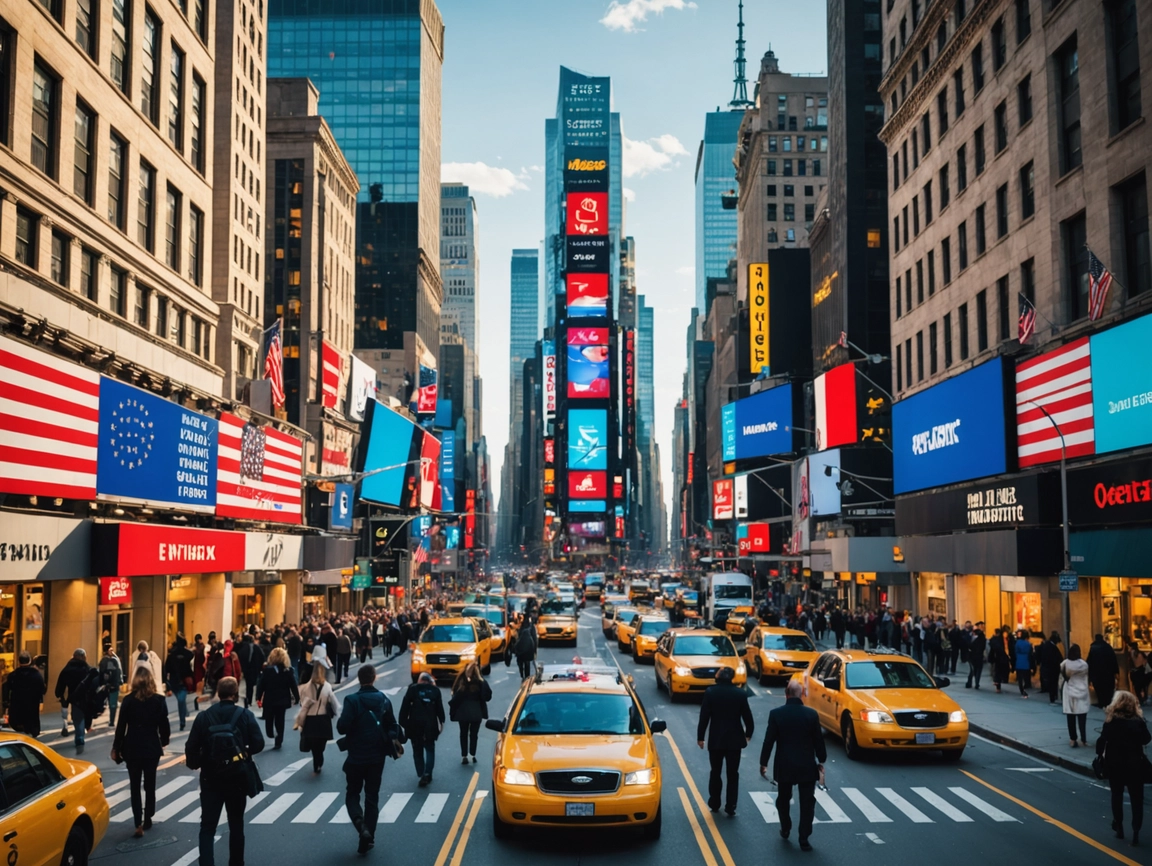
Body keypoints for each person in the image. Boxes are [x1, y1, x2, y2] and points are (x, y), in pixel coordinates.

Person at [185, 677, 265, 866]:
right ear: (235, 694)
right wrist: (245, 752)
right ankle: (236, 862)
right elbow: (259, 743)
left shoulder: (204, 717)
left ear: (218, 694)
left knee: (207, 826)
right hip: (237, 777)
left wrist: (197, 762)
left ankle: (206, 862)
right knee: (236, 824)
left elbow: (191, 748)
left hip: (210, 778)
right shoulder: (244, 715)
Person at [338, 665, 402, 854]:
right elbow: (393, 725)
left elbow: (342, 727)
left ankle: (360, 824)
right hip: (376, 756)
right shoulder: (383, 700)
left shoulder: (351, 700)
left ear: (359, 679)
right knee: (372, 797)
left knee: (352, 794)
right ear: (374, 678)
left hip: (356, 756)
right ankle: (369, 837)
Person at [760, 679, 827, 852]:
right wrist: (821, 760)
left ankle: (785, 826)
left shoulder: (776, 714)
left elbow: (769, 741)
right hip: (806, 765)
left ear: (786, 694)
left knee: (783, 799)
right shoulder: (811, 715)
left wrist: (763, 763)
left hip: (785, 765)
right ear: (802, 694)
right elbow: (818, 741)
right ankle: (804, 838)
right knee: (807, 802)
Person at [112, 669, 171, 837]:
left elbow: (121, 726)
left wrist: (116, 747)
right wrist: (164, 740)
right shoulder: (159, 700)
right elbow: (164, 724)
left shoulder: (128, 701)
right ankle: (148, 816)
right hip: (151, 746)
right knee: (150, 783)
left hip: (132, 747)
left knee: (135, 785)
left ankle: (137, 822)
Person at [696, 666, 755, 817]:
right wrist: (748, 734)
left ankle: (715, 802)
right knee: (732, 774)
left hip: (716, 740)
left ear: (719, 676)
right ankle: (731, 805)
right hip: (734, 741)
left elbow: (704, 717)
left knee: (715, 772)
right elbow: (748, 717)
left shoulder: (710, 692)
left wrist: (701, 737)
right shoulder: (740, 694)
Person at [1096, 690, 1150, 847]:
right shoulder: (1138, 722)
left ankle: (1119, 825)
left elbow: (1102, 742)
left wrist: (1100, 755)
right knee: (1136, 799)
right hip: (1135, 764)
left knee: (1116, 795)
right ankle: (1136, 830)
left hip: (1115, 764)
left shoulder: (1111, 721)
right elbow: (1146, 739)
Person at [399, 672, 445, 786]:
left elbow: (404, 709)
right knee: (430, 749)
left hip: (415, 726)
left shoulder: (412, 690)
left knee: (417, 751)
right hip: (430, 725)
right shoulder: (435, 691)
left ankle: (421, 772)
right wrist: (441, 723)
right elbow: (440, 710)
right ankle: (428, 773)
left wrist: (404, 724)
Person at [295, 662, 339, 773]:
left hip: (310, 719)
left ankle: (317, 760)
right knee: (321, 743)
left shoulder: (304, 688)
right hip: (323, 719)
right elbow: (334, 704)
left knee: (313, 743)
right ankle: (319, 759)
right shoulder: (327, 686)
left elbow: (301, 703)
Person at [256, 647, 299, 750]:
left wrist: (258, 696)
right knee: (280, 720)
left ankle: (270, 733)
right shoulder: (288, 671)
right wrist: (297, 697)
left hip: (269, 699)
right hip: (282, 699)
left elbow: (261, 685)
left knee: (269, 718)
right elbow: (293, 685)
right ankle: (279, 740)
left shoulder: (267, 671)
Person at [55, 648, 98, 751]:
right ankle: (82, 733)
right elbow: (94, 682)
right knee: (85, 716)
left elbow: (61, 683)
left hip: (75, 698)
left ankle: (79, 737)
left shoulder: (68, 668)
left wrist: (59, 694)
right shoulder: (87, 668)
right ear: (83, 657)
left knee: (78, 718)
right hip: (87, 697)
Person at [450, 663, 492, 764]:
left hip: (462, 712)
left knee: (463, 734)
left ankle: (464, 755)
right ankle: (472, 755)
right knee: (474, 735)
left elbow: (455, 695)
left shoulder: (460, 681)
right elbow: (488, 696)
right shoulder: (480, 682)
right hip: (476, 712)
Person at [3, 651, 46, 736]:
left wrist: (6, 701)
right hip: (32, 706)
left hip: (17, 705)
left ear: (19, 662)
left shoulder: (13, 675)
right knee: (31, 728)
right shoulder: (36, 675)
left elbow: (6, 689)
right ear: (30, 661)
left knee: (19, 729)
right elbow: (42, 689)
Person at [1060, 644, 1090, 747]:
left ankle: (1073, 739)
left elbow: (1063, 674)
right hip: (1082, 691)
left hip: (1069, 691)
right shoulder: (1084, 664)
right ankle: (1084, 739)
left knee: (1071, 717)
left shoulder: (1065, 663)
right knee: (1082, 717)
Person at [164, 635, 195, 731]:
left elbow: (166, 669)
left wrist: (166, 683)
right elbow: (191, 655)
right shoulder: (187, 654)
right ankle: (182, 719)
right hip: (184, 681)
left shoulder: (171, 655)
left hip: (174, 681)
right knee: (181, 700)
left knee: (180, 699)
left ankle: (183, 718)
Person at [1089, 633, 1120, 708]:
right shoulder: (1108, 647)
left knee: (1099, 688)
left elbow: (1090, 661)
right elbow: (1113, 659)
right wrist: (1116, 671)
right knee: (1108, 688)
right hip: (1108, 672)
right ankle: (1107, 702)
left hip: (1097, 673)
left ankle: (1101, 702)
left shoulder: (1093, 648)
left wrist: (1090, 675)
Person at [235, 634, 265, 708]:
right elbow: (262, 657)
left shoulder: (241, 647)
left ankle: (245, 699)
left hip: (244, 669)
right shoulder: (256, 647)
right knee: (251, 685)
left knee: (246, 684)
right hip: (254, 669)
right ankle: (250, 699)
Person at [98, 643, 124, 727]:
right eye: (111, 650)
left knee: (110, 703)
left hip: (106, 685)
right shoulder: (113, 660)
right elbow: (118, 671)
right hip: (113, 685)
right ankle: (111, 721)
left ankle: (111, 720)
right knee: (113, 704)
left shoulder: (103, 661)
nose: (113, 652)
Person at [1037, 631, 1064, 704]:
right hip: (1052, 668)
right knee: (1053, 683)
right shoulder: (1049, 646)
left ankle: (1054, 696)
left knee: (1053, 682)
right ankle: (1053, 697)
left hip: (1051, 667)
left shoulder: (1048, 645)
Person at [989, 628, 1012, 693]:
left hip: (1006, 657)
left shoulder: (1009, 640)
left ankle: (1003, 680)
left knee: (1005, 669)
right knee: (998, 671)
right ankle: (998, 684)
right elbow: (994, 648)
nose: (1006, 634)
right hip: (999, 658)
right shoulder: (998, 640)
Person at [1014, 630, 1036, 697]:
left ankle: (1021, 689)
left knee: (1020, 677)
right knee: (1026, 676)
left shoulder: (1017, 643)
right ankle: (1026, 686)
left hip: (1019, 661)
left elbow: (1015, 651)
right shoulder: (1028, 644)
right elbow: (1031, 654)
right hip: (1026, 661)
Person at [965, 622, 987, 689]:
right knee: (977, 670)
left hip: (973, 656)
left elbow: (969, 646)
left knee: (973, 670)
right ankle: (976, 683)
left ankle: (970, 683)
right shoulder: (982, 638)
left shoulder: (974, 638)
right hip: (978, 656)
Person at [1127, 642, 1149, 706]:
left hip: (1135, 671)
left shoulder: (1131, 653)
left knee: (1136, 686)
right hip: (1142, 670)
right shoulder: (1141, 653)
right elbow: (1145, 661)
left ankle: (1139, 698)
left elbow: (1131, 663)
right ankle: (1144, 698)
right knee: (1142, 685)